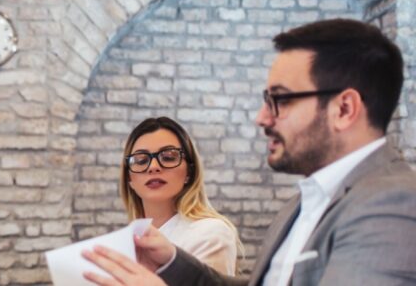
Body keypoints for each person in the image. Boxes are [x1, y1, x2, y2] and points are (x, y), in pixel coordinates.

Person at [81, 19, 416, 286]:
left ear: (344, 109)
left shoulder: (391, 205)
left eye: (280, 99)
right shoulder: (301, 205)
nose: (262, 117)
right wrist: (172, 261)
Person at [119, 117, 241, 275]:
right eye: (141, 161)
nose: (153, 167)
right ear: (129, 178)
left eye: (168, 157)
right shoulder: (125, 244)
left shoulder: (211, 234)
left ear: (189, 172)